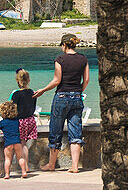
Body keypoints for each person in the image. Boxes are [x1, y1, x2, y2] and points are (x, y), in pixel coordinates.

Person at [34, 33, 89, 173]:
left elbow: (57, 80)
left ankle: (51, 164)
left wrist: (43, 90)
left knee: (55, 130)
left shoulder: (60, 59)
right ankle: (75, 166)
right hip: (77, 97)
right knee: (76, 131)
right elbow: (87, 80)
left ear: (64, 45)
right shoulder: (83, 59)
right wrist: (77, 92)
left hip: (61, 97)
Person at [11, 68, 37, 168]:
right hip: (30, 120)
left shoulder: (16, 94)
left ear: (17, 81)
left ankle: (24, 167)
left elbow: (13, 109)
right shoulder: (32, 92)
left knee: (21, 144)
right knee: (24, 143)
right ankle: (26, 166)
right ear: (28, 80)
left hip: (20, 121)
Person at [1, 100, 27, 178]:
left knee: (8, 159)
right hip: (17, 142)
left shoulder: (3, 123)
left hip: (8, 143)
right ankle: (23, 172)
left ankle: (7, 174)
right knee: (21, 158)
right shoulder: (17, 121)